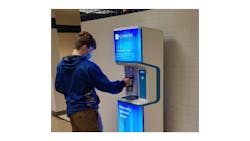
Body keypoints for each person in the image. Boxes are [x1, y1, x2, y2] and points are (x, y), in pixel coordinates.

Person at [55, 31, 130, 132]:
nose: (91, 54)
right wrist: (123, 83)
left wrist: (73, 92)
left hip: (72, 112)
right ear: (84, 47)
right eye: (91, 50)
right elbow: (106, 86)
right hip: (87, 113)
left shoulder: (61, 65)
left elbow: (58, 86)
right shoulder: (87, 66)